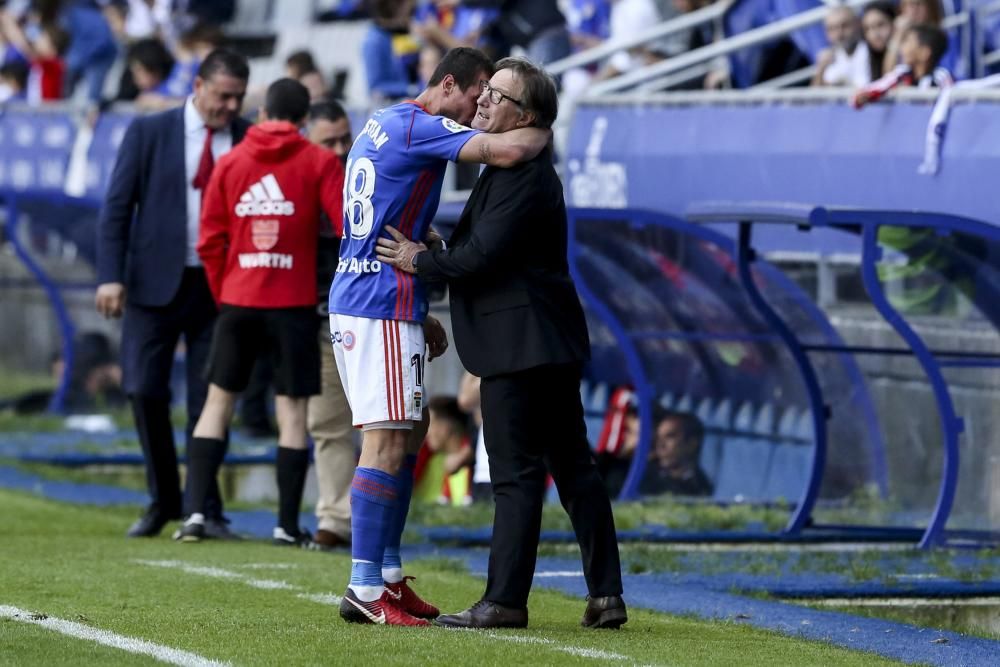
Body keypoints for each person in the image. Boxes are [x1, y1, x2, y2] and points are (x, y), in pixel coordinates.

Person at [376, 57, 626, 631]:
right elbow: (487, 244)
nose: (483, 100)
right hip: (545, 341)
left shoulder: (522, 170)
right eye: (485, 90)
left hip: (522, 346)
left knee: (515, 477)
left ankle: (505, 601)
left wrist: (422, 260)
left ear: (527, 115)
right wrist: (443, 244)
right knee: (573, 469)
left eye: (499, 94)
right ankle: (606, 594)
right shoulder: (514, 164)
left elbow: (482, 258)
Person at [328, 46, 550, 627]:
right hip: (377, 302)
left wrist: (415, 307)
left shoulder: (385, 120)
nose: (479, 107)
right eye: (479, 93)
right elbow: (506, 149)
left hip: (371, 300)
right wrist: (540, 126)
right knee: (385, 444)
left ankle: (389, 577)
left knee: (410, 432)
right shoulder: (421, 127)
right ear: (448, 83)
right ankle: (363, 585)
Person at [177, 78, 345, 546]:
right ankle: (286, 526)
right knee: (291, 414)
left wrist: (224, 290)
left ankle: (194, 516)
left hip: (238, 299)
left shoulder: (230, 162)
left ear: (262, 112)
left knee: (217, 404)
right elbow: (346, 223)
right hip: (292, 304)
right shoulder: (319, 161)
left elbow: (209, 240)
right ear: (304, 120)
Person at [95, 48, 251, 539]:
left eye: (238, 98)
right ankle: (163, 498)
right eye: (223, 96)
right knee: (143, 388)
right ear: (199, 85)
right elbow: (118, 207)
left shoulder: (248, 137)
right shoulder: (149, 131)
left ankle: (203, 507)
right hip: (152, 282)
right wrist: (110, 275)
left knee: (211, 397)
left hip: (220, 286)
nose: (230, 106)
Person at [305, 100, 356, 551]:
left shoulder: (368, 174)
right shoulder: (299, 180)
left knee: (390, 423)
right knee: (327, 420)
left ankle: (383, 519)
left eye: (345, 138)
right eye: (329, 141)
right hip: (319, 317)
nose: (340, 150)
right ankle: (336, 518)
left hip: (371, 315)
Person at [852, 23, 951, 108]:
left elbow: (950, 100)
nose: (902, 47)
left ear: (924, 53)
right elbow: (879, 86)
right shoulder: (902, 73)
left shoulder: (941, 77)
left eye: (907, 42)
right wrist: (864, 95)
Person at [638, 411, 713, 497]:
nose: (660, 445)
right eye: (658, 438)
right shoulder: (644, 475)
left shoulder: (701, 489)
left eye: (670, 437)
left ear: (692, 444)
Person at [812, 6, 870, 88]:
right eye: (832, 28)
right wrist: (821, 70)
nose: (839, 33)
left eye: (844, 26)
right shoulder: (826, 59)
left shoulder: (871, 49)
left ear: (857, 24)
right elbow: (814, 96)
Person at [861, 2, 896, 82]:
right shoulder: (863, 52)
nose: (875, 34)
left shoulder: (905, 52)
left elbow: (889, 80)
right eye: (868, 28)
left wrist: (896, 42)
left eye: (880, 25)